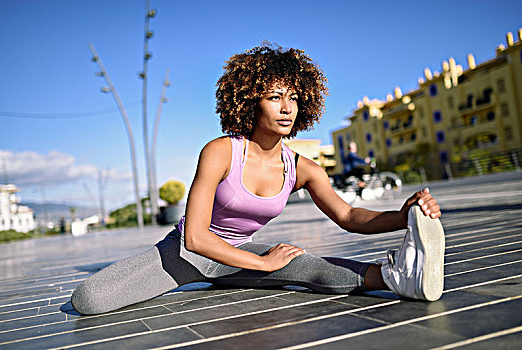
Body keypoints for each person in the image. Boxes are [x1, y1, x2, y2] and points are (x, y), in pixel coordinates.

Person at [71, 43, 445, 315]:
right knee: (89, 299)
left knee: (306, 265)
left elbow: (348, 217)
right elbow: (196, 237)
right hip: (185, 254)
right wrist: (266, 264)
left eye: (294, 98)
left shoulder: (305, 169)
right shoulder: (220, 152)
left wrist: (406, 215)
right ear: (251, 101)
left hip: (238, 258)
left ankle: (400, 276)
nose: (287, 108)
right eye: (275, 97)